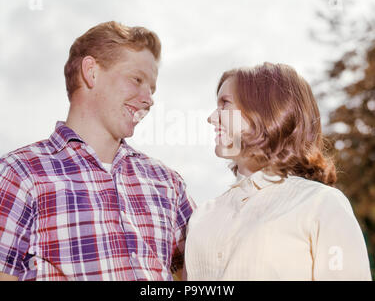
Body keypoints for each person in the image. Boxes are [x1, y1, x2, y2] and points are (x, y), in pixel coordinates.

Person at [0, 21, 195, 281]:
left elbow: (200, 272)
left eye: (152, 89)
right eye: (137, 79)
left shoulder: (168, 183)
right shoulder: (20, 175)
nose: (149, 99)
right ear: (91, 72)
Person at [185, 62, 372, 281]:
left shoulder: (321, 204)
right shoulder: (201, 216)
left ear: (268, 111)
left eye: (225, 103)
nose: (211, 117)